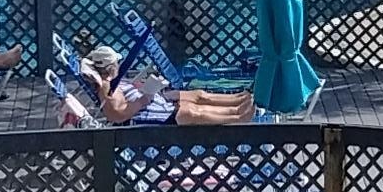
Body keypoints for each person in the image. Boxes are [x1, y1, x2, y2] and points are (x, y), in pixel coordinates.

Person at [72, 41, 254, 128]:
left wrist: (147, 84)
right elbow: (117, 115)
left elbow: (128, 94)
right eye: (116, 64)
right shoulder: (106, 89)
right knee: (192, 111)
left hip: (155, 100)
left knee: (197, 94)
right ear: (110, 67)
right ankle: (237, 117)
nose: (119, 66)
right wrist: (144, 99)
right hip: (148, 113)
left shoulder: (113, 82)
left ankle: (237, 101)